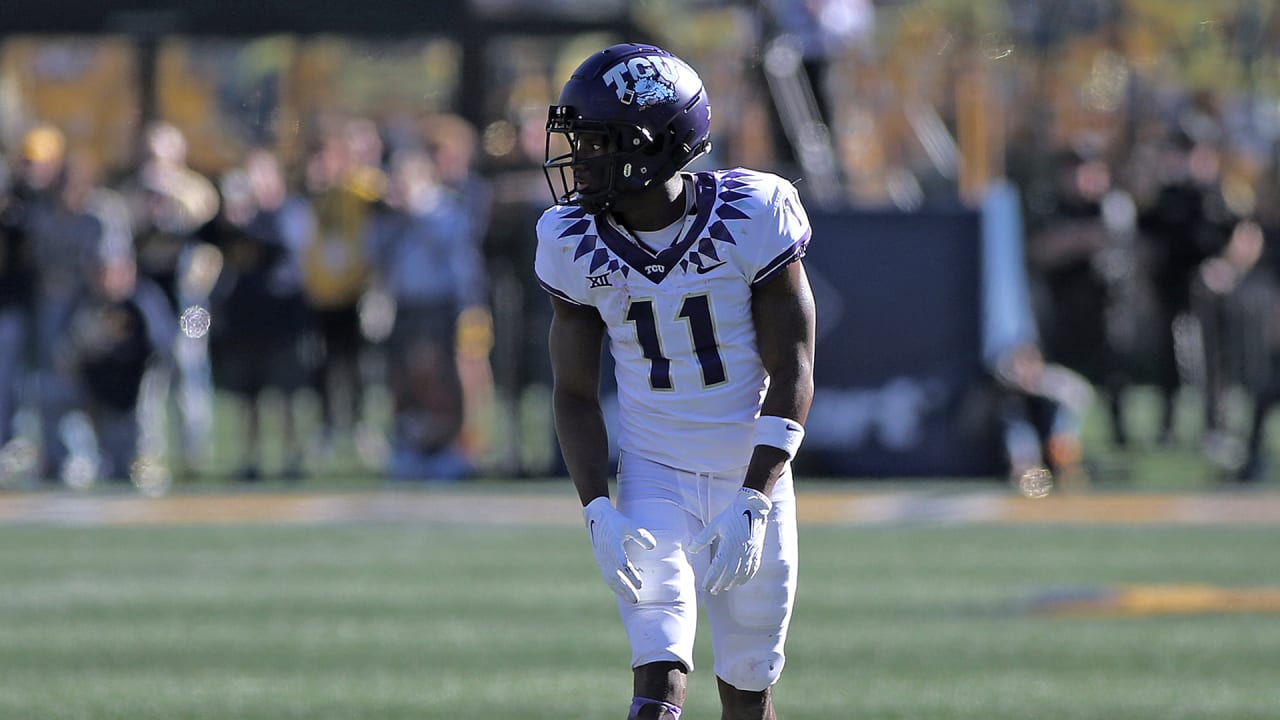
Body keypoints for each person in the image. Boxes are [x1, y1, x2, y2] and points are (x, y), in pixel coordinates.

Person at [535, 44, 816, 720]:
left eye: (597, 143)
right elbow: (573, 390)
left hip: (748, 472)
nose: (580, 160)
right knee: (657, 678)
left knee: (747, 689)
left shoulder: (755, 211)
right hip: (654, 474)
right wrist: (595, 507)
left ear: (655, 144)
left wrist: (755, 497)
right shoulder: (570, 238)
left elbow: (795, 366)